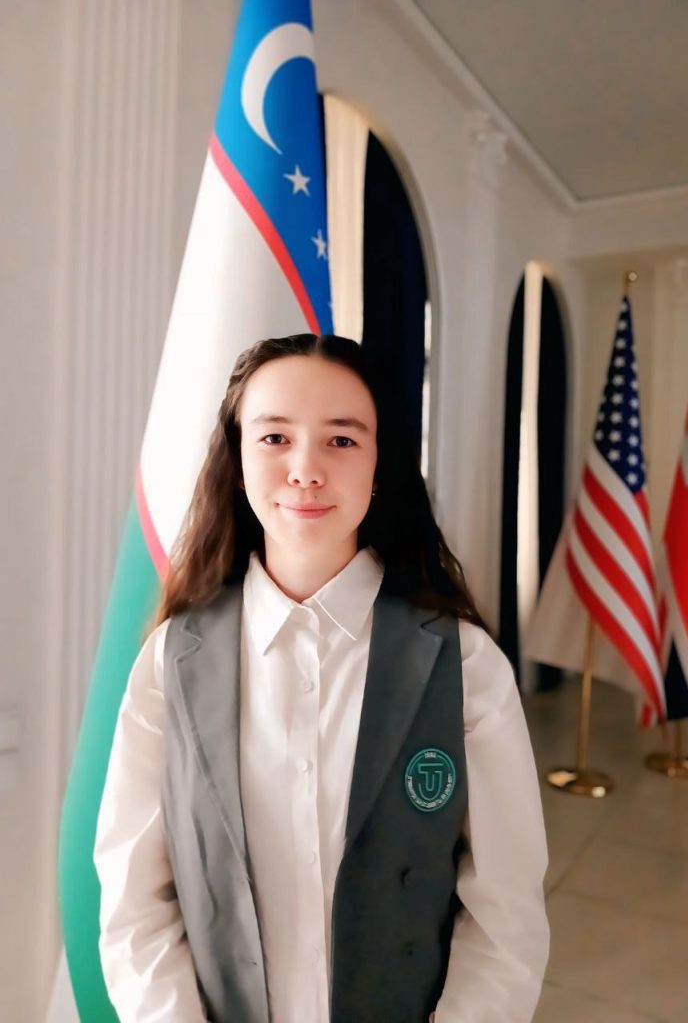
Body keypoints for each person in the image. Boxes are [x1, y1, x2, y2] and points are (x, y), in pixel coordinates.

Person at [94, 333, 549, 1023]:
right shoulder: (171, 662)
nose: (305, 470)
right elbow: (135, 904)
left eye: (341, 440)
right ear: (237, 461)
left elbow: (505, 917)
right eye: (274, 438)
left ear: (379, 464)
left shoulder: (461, 663)